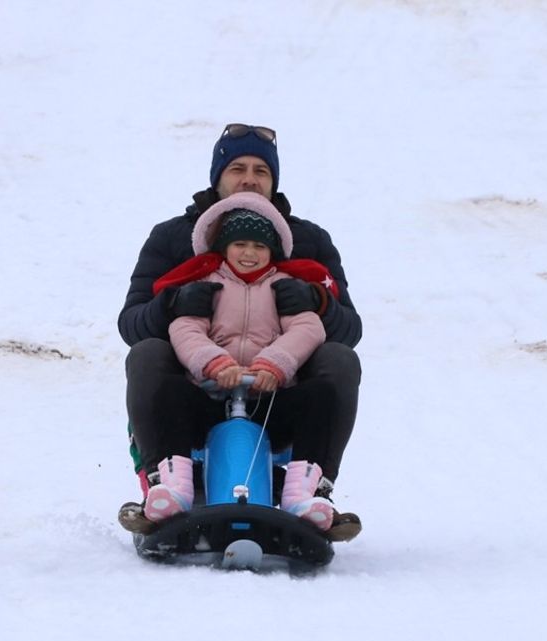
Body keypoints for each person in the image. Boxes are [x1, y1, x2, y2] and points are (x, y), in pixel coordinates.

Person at [117, 123, 363, 540]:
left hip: (279, 394)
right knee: (146, 354)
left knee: (340, 360)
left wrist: (317, 303)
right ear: (217, 177)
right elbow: (132, 324)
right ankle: (165, 486)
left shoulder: (308, 242)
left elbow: (349, 329)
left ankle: (312, 491)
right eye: (237, 168)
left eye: (261, 171)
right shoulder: (172, 238)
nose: (249, 178)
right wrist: (172, 305)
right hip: (196, 393)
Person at [139, 192, 340, 531]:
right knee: (169, 392)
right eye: (241, 244)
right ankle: (174, 489)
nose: (249, 254)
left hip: (267, 397)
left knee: (320, 397)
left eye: (259, 247)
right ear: (225, 248)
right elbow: (185, 328)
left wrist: (273, 364)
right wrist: (214, 363)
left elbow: (308, 327)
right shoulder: (206, 284)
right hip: (211, 395)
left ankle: (301, 495)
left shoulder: (283, 287)